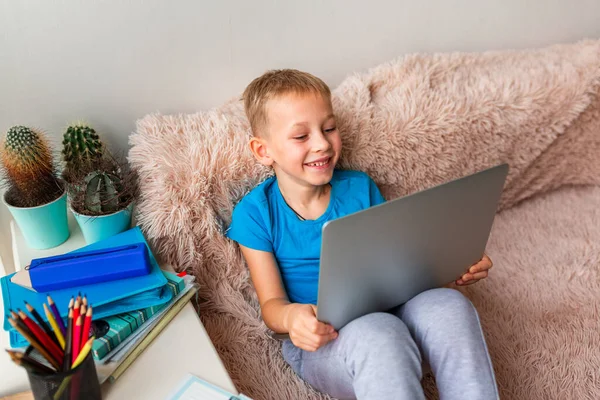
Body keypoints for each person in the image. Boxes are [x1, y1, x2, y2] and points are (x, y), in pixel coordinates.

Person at [226, 69, 499, 399]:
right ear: (263, 150)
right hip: (323, 344)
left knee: (450, 307)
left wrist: (452, 263)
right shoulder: (256, 213)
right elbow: (271, 305)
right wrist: (291, 316)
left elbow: (397, 265)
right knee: (380, 333)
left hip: (389, 313)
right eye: (301, 137)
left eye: (329, 128)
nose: (323, 144)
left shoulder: (359, 188)